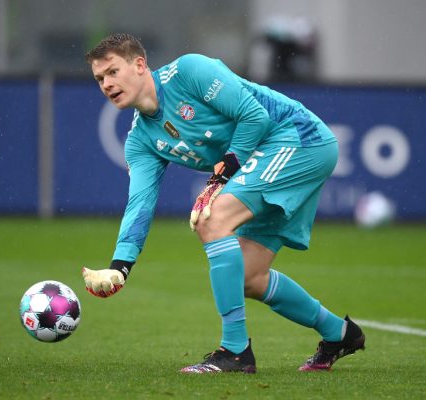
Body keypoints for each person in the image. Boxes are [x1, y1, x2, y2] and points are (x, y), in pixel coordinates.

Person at [81, 33, 365, 374]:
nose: (107, 84)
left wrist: (222, 176)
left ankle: (235, 352)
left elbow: (254, 117)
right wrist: (120, 266)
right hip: (263, 158)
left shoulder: (189, 71)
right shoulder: (140, 140)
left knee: (210, 219)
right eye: (100, 78)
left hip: (298, 138)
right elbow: (140, 203)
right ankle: (340, 334)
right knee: (247, 277)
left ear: (140, 64)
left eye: (113, 72)